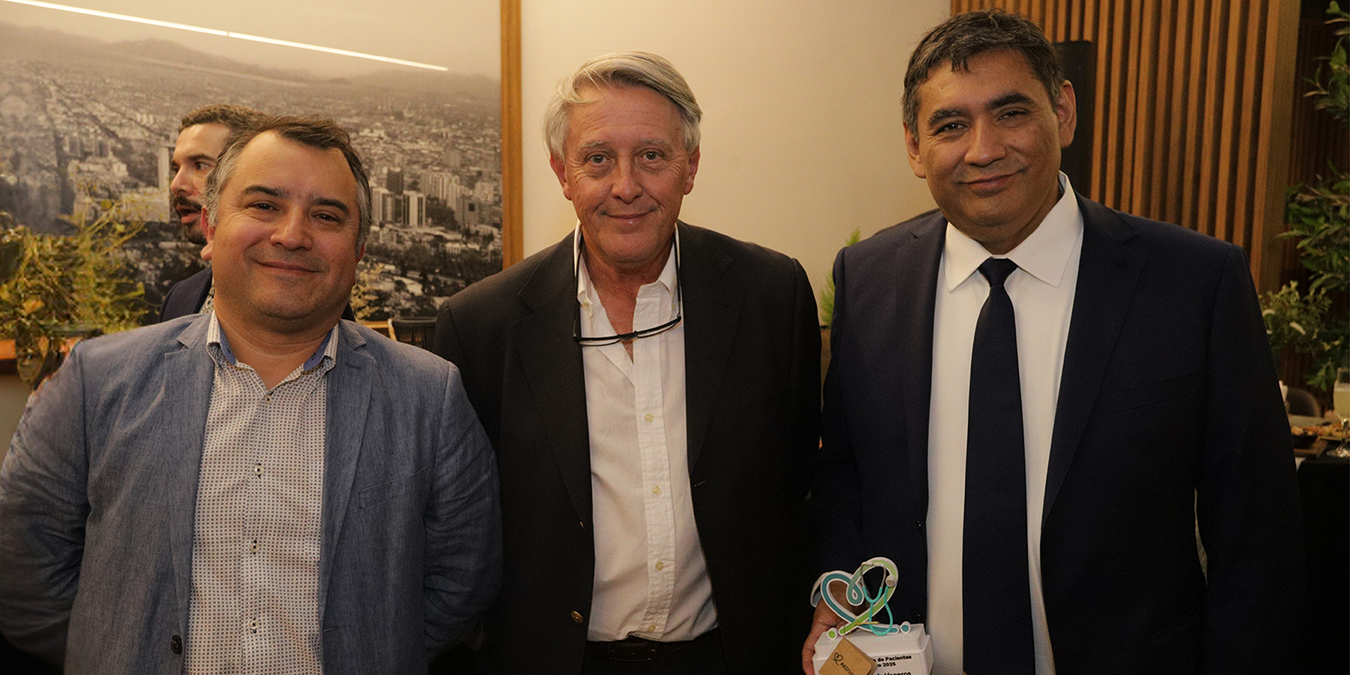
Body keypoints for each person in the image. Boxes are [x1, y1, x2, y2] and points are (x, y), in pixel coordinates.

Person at [805, 10, 1303, 675]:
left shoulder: (1193, 283)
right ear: (914, 147)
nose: (983, 149)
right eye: (950, 125)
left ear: (1063, 113)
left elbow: (1256, 532)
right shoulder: (869, 279)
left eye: (1010, 113)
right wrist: (839, 589)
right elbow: (845, 474)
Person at [0, 116, 502, 673]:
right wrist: (115, 651)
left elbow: (461, 581)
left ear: (359, 249)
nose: (292, 234)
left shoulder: (430, 397)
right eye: (264, 205)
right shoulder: (96, 382)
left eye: (326, 216)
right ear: (211, 227)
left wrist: (369, 648)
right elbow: (22, 563)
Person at [435, 52, 819, 673]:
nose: (625, 186)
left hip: (733, 657)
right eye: (597, 159)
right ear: (562, 173)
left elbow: (803, 486)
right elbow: (458, 531)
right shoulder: (482, 325)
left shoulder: (772, 295)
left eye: (651, 156)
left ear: (690, 165)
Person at [159, 104, 265, 321]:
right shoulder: (179, 299)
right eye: (176, 169)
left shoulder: (305, 303)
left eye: (200, 165)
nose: (176, 184)